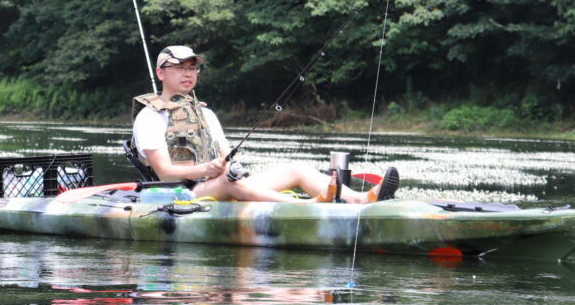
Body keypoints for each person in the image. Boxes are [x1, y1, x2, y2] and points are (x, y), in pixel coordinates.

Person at [131, 45, 398, 203]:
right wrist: (209, 169)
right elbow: (165, 173)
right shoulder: (150, 117)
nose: (188, 73)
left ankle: (361, 199)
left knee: (296, 169)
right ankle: (310, 206)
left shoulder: (206, 115)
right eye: (180, 68)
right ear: (161, 73)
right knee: (227, 181)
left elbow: (225, 155)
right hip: (180, 195)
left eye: (192, 68)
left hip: (220, 182)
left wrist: (229, 166)